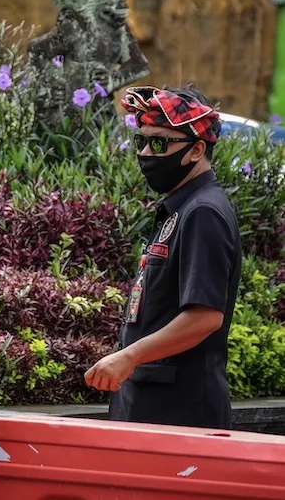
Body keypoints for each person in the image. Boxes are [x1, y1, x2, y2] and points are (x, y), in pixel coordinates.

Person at [84, 85, 242, 429]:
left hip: (180, 414)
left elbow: (204, 317)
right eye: (141, 141)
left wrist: (129, 357)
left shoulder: (204, 212)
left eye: (158, 143)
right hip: (149, 408)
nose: (146, 152)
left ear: (197, 149)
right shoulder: (180, 208)